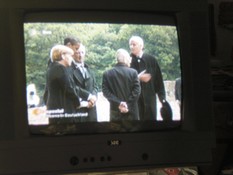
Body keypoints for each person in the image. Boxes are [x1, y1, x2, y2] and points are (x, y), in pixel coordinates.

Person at [129, 36, 166, 121]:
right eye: (130, 44)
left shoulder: (151, 60)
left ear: (141, 46)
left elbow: (159, 80)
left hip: (150, 101)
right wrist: (137, 78)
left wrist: (162, 99)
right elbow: (124, 81)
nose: (131, 47)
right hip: (135, 102)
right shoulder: (128, 61)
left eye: (134, 44)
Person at [102, 48, 141, 121]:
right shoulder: (133, 72)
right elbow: (137, 91)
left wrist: (119, 103)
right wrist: (127, 104)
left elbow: (106, 92)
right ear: (126, 59)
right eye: (129, 58)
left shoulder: (107, 74)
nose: (130, 60)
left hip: (115, 112)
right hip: (131, 112)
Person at [45, 44, 80, 123]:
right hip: (63, 112)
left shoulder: (52, 67)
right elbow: (69, 88)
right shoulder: (60, 68)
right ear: (63, 56)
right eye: (70, 56)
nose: (72, 58)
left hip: (55, 110)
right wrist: (78, 102)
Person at [69, 43, 98, 122]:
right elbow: (72, 88)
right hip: (78, 112)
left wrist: (94, 98)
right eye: (78, 53)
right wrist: (85, 103)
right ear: (72, 54)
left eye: (82, 52)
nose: (80, 55)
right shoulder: (68, 70)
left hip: (92, 111)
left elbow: (95, 86)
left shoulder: (89, 68)